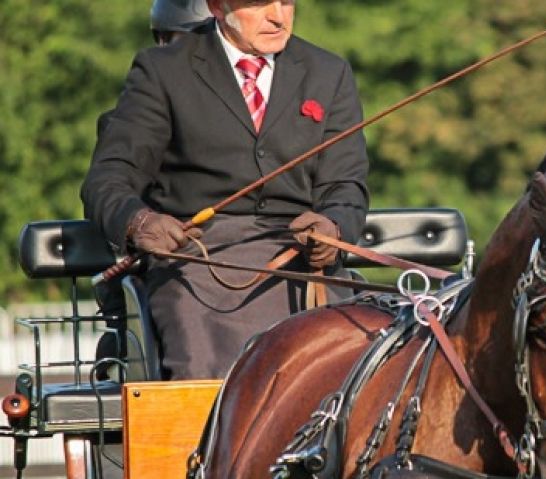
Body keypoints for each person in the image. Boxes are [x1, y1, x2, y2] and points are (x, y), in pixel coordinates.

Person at [82, 0, 370, 380]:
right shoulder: (163, 70)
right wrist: (139, 222)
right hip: (198, 260)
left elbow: (346, 185)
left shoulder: (329, 72)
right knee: (208, 376)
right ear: (218, 7)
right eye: (260, 4)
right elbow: (108, 178)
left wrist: (332, 226)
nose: (278, 16)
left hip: (303, 258)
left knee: (353, 372)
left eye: (286, 2)